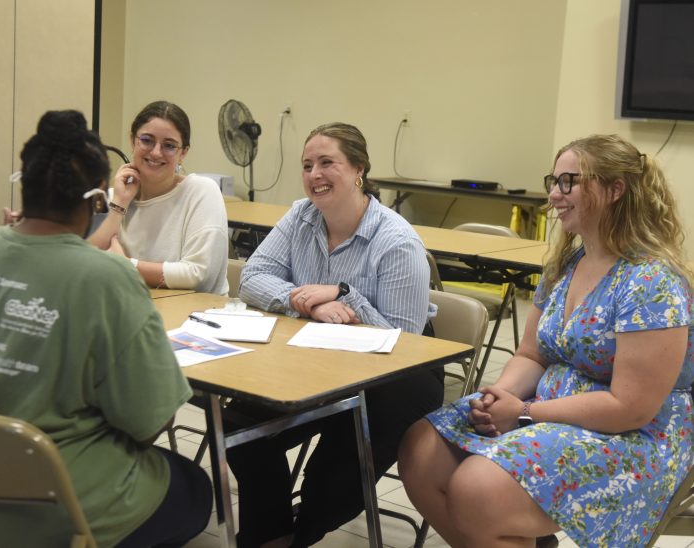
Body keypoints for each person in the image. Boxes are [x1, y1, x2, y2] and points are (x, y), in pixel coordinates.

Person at [398, 134, 694, 547]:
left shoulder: (652, 282)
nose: (554, 195)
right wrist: (498, 397)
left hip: (631, 439)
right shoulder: (568, 263)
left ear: (614, 190)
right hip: (545, 410)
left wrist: (524, 412)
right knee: (420, 451)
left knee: (477, 489)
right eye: (553, 181)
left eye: (569, 182)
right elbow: (532, 353)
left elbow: (631, 408)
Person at [0, 110, 212, 547]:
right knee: (192, 485)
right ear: (96, 198)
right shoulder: (106, 280)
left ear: (26, 183)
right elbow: (148, 421)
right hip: (58, 503)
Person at [225, 122, 441, 547]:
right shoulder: (300, 215)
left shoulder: (396, 239)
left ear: (359, 169)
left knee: (334, 465)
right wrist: (310, 302)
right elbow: (253, 277)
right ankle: (270, 535)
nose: (314, 174)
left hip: (395, 377)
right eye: (307, 165)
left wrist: (345, 295)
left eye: (328, 163)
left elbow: (404, 340)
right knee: (237, 431)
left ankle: (299, 534)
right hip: (315, 357)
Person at [89, 100, 229, 294]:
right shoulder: (115, 197)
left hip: (195, 317)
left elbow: (198, 275)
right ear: (132, 141)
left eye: (169, 145)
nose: (156, 152)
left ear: (183, 153)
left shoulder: (201, 192)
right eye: (147, 140)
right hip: (130, 308)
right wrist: (119, 203)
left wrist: (126, 266)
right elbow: (86, 260)